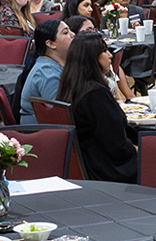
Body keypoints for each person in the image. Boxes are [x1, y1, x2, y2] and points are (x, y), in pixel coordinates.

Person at [57, 32, 137, 182]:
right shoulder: (95, 93)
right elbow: (116, 145)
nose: (110, 55)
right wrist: (139, 150)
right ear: (92, 57)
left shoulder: (70, 85)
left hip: (87, 162)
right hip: (108, 168)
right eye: (105, 51)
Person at [19, 17, 73, 123]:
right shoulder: (47, 73)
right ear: (51, 44)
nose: (73, 34)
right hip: (41, 133)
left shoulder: (52, 64)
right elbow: (58, 116)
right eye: (66, 32)